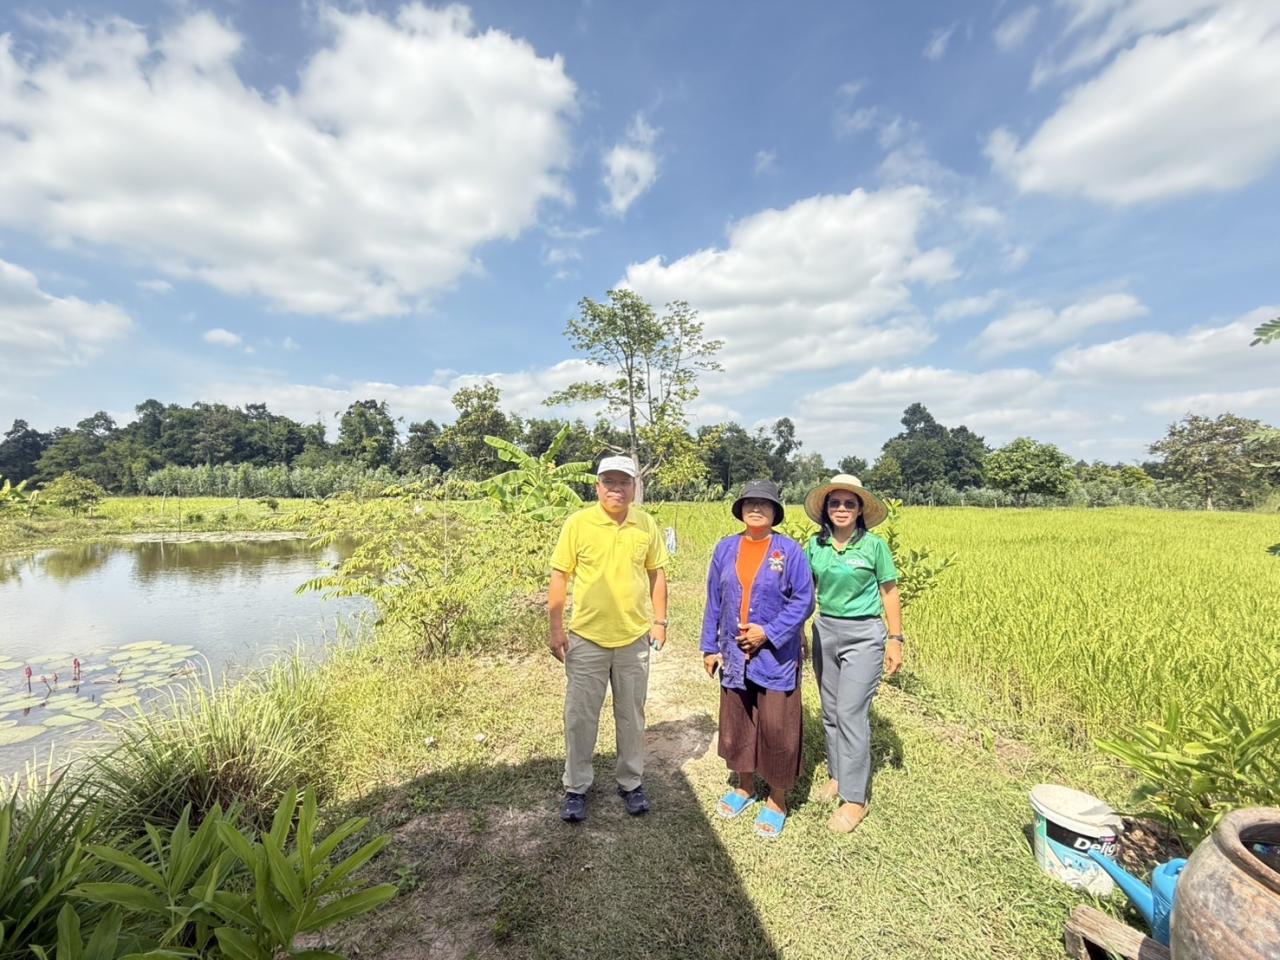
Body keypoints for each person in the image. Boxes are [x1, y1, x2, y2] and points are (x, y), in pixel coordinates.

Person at [548, 455, 669, 823]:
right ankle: (576, 786)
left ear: (634, 487)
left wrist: (660, 621)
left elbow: (657, 574)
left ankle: (631, 782)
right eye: (608, 482)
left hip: (633, 638)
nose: (616, 489)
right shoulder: (578, 524)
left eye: (623, 482)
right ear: (597, 486)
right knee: (580, 716)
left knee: (631, 714)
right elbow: (560, 577)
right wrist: (555, 628)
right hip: (587, 638)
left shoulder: (645, 524)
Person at [699, 479, 813, 839]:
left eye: (764, 503)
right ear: (741, 508)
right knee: (738, 719)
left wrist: (769, 632)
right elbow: (715, 601)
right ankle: (744, 787)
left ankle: (777, 799)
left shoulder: (789, 551)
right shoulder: (726, 548)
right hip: (733, 652)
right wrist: (709, 646)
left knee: (778, 725)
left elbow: (803, 601)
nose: (756, 508)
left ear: (775, 511)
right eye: (749, 502)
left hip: (775, 654)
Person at [802, 473, 903, 834]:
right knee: (830, 710)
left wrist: (896, 638)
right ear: (826, 510)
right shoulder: (816, 546)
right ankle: (837, 776)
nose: (841, 509)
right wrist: (799, 628)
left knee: (850, 712)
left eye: (849, 503)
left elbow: (889, 592)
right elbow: (804, 591)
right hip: (825, 630)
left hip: (864, 634)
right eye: (835, 503)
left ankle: (856, 799)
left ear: (860, 510)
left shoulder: (874, 547)